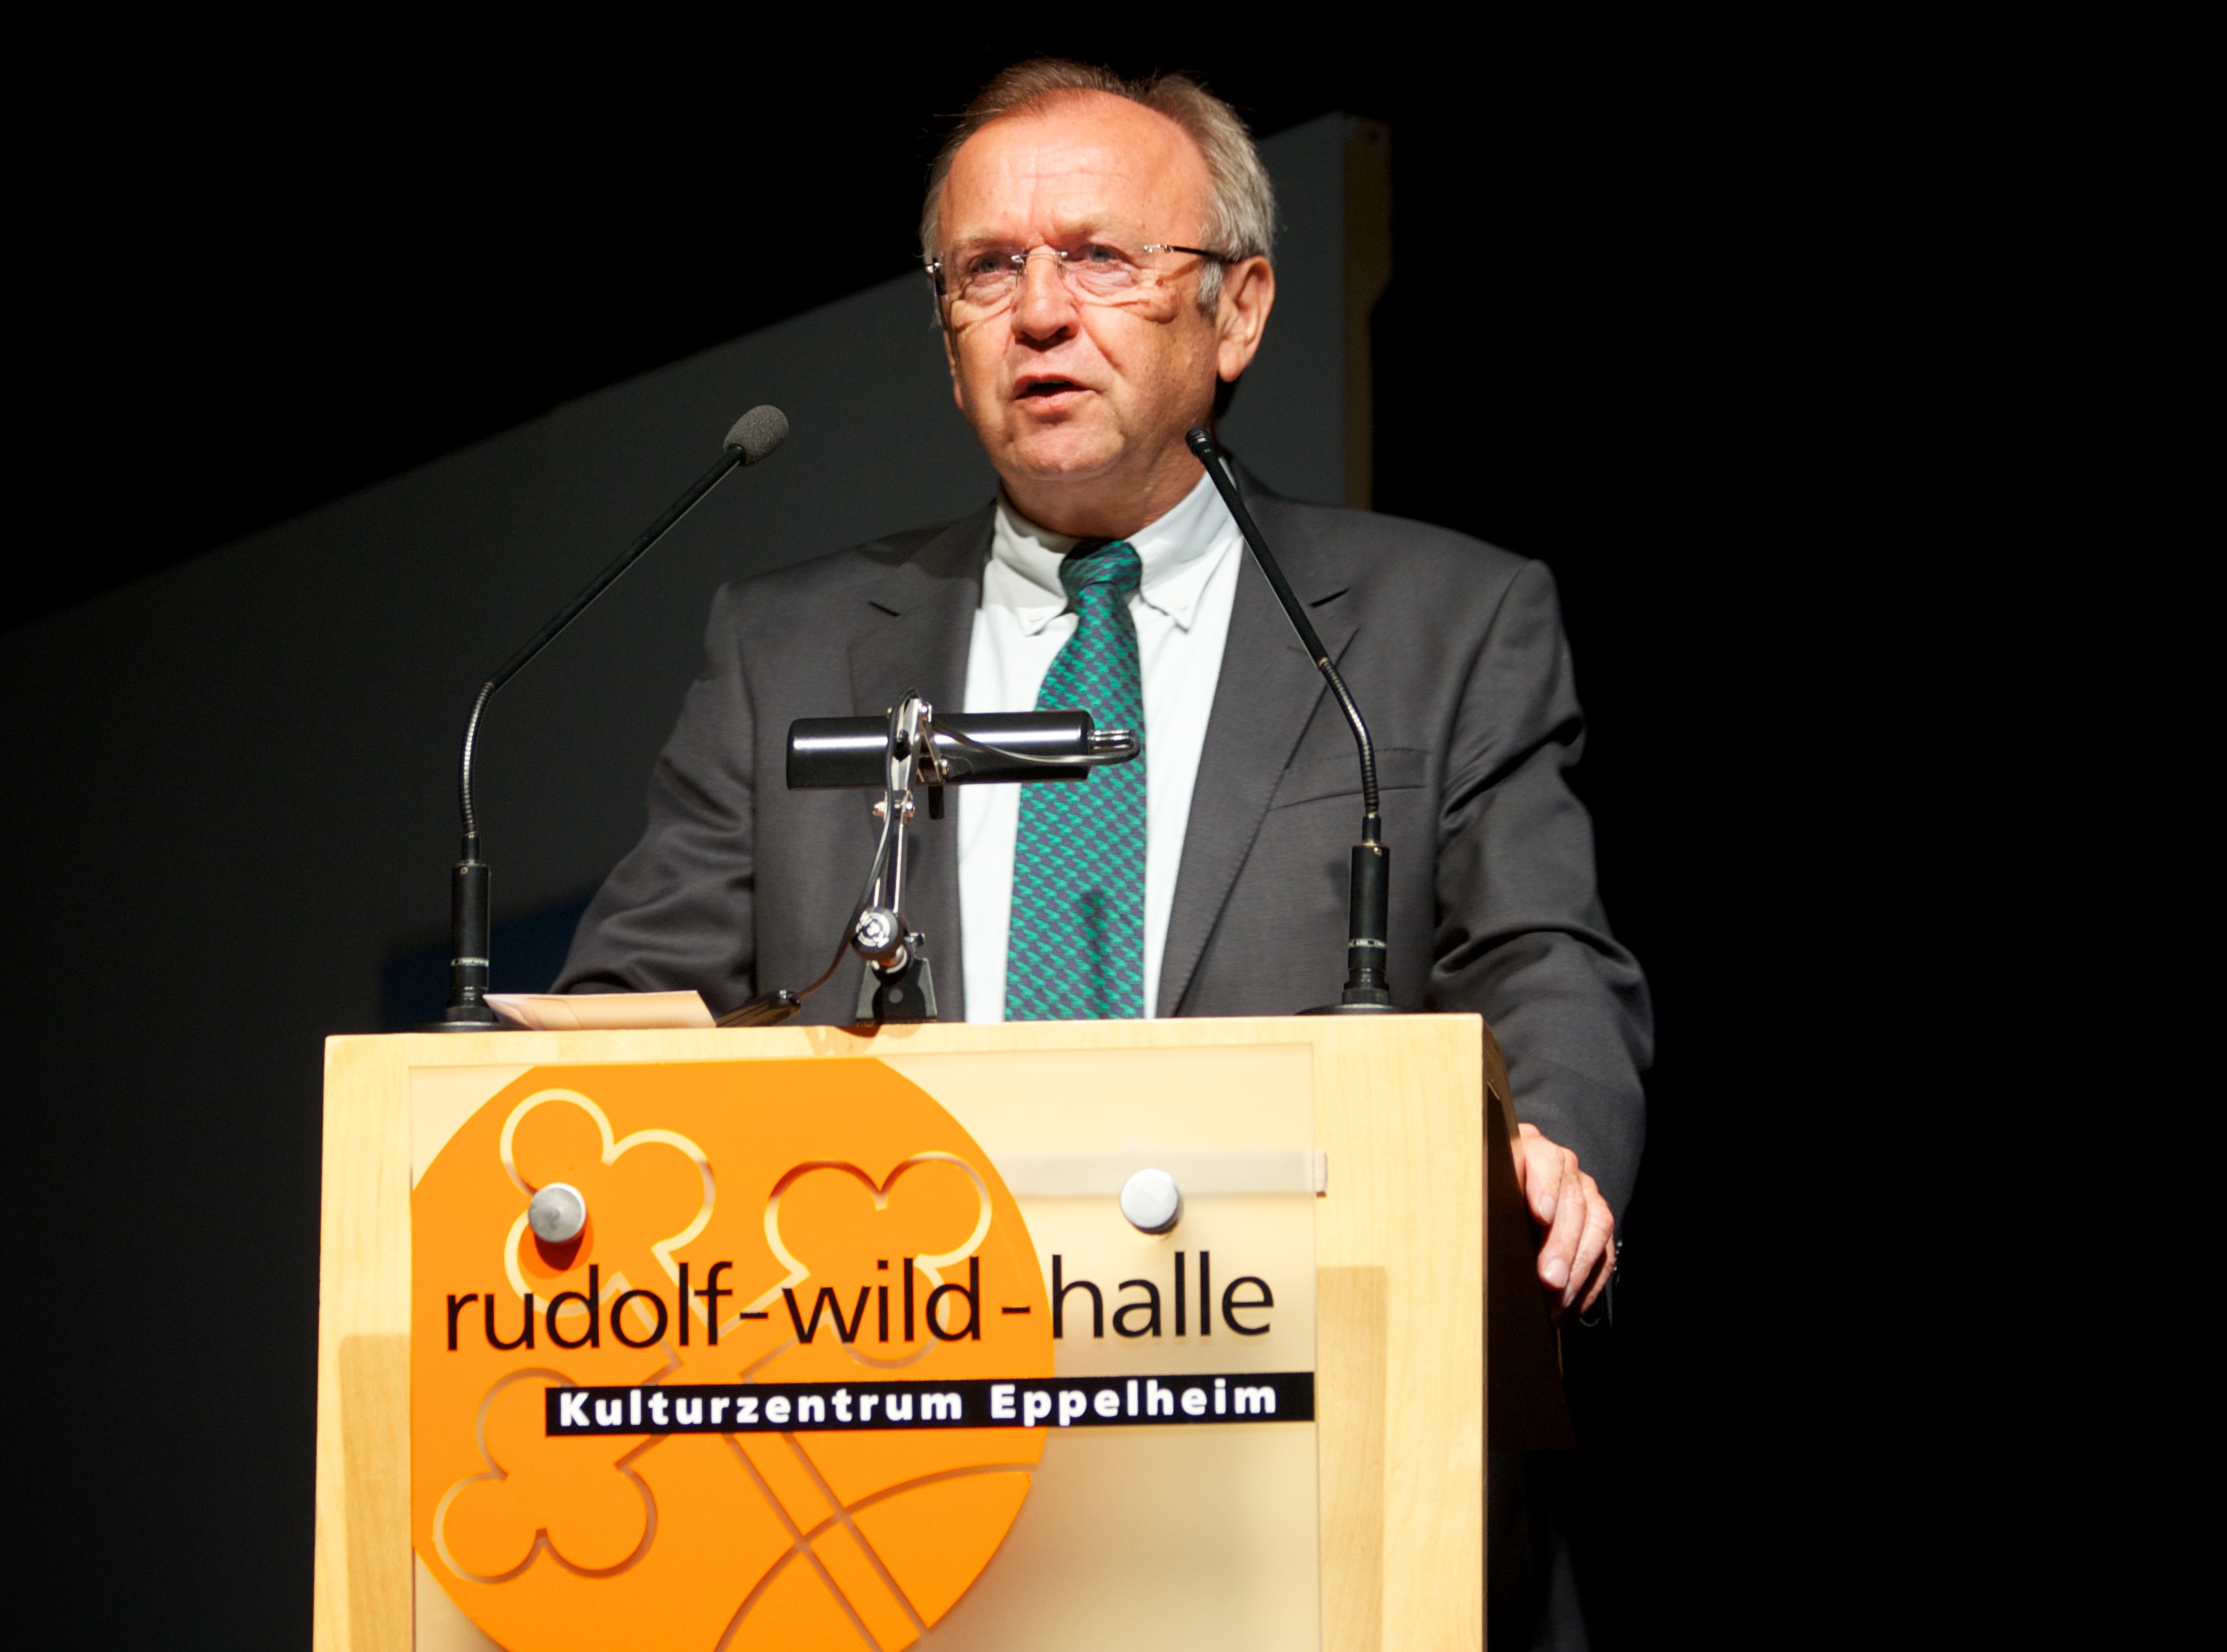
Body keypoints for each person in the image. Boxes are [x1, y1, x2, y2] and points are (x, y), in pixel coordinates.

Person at [557, 64, 1648, 1632]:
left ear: (1237, 311)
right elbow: (623, 1026)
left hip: (1313, 1465)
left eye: (1100, 258)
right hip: (888, 1490)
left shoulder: (1441, 624)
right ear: (946, 338)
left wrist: (1546, 1142)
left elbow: (1540, 956)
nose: (1041, 313)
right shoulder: (785, 649)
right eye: (987, 269)